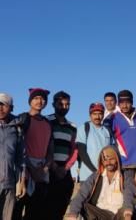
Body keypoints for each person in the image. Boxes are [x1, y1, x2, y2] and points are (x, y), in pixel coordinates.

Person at [14, 88, 53, 220]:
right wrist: (32, 170)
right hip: (24, 173)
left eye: (42, 99)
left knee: (35, 213)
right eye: (36, 98)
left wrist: (44, 169)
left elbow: (50, 149)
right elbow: (18, 147)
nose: (40, 101)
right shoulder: (22, 119)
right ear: (30, 101)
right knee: (16, 211)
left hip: (41, 172)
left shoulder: (48, 123)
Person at [66, 146, 136, 220]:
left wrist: (128, 212)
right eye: (105, 160)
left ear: (117, 159)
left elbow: (129, 193)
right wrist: (73, 214)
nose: (108, 163)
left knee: (125, 209)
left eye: (111, 159)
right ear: (102, 161)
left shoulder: (126, 175)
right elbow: (81, 194)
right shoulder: (95, 176)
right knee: (83, 205)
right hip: (100, 214)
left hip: (119, 215)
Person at [46, 91, 78, 220]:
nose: (64, 107)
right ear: (54, 104)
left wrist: (65, 168)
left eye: (67, 104)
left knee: (61, 206)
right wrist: (54, 166)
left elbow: (75, 149)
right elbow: (45, 145)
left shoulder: (72, 126)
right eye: (61, 104)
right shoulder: (47, 121)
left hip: (65, 170)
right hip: (49, 169)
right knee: (46, 208)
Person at [104, 90, 136, 185]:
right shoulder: (112, 118)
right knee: (127, 191)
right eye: (122, 103)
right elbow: (106, 139)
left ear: (132, 103)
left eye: (127, 102)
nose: (124, 106)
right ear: (118, 104)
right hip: (123, 162)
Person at [0, 93, 26, 220]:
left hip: (9, 184)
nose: (0, 108)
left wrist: (21, 182)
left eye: (3, 105)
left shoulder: (17, 128)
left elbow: (21, 157)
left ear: (11, 108)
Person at [76, 102, 112, 182]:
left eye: (100, 114)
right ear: (90, 115)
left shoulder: (107, 131)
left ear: (103, 115)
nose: (97, 117)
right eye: (94, 114)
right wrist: (95, 170)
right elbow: (82, 152)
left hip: (104, 175)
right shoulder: (84, 128)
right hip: (87, 176)